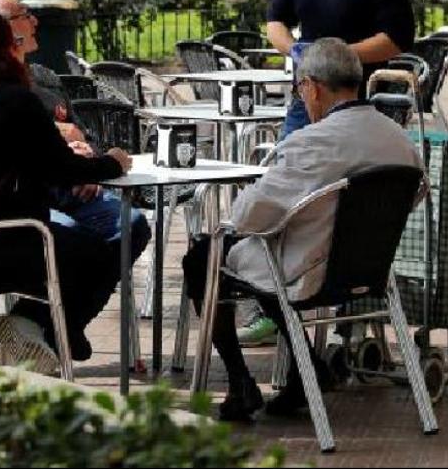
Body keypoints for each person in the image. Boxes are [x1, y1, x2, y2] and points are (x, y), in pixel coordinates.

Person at [181, 38, 423, 421]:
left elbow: (246, 217)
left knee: (203, 256)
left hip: (307, 271)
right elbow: (413, 195)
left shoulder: (312, 142)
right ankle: (304, 369)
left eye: (299, 89)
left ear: (310, 86)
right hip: (371, 270)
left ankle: (240, 382)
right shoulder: (399, 139)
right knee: (269, 255)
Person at [254, 0, 416, 346]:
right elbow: (275, 22)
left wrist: (338, 56)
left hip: (355, 108)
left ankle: (351, 311)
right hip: (305, 103)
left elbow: (395, 38)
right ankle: (275, 302)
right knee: (284, 194)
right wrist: (297, 53)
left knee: (349, 208)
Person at [0, 13, 133, 374]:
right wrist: (114, 163)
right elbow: (61, 169)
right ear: (6, 49)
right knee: (104, 250)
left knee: (93, 241)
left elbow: (7, 154)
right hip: (0, 239)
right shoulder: (13, 101)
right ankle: (38, 327)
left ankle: (48, 329)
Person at [0, 0, 151, 261]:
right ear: (2, 29)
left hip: (73, 189)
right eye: (24, 15)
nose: (34, 21)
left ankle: (79, 293)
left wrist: (87, 158)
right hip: (24, 200)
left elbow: (85, 135)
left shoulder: (45, 79)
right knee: (72, 241)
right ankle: (66, 295)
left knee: (132, 225)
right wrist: (60, 145)